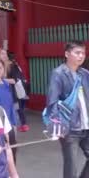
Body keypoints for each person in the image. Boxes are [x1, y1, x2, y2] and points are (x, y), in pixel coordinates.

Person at [46, 41, 89, 178]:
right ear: (67, 54)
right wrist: (57, 126)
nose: (81, 56)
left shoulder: (85, 74)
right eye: (77, 52)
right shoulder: (58, 73)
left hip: (86, 126)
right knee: (71, 166)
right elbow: (52, 101)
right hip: (69, 128)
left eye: (83, 52)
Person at [0, 59, 18, 160]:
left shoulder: (6, 84)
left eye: (0, 68)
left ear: (4, 69)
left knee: (12, 152)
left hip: (8, 123)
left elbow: (10, 106)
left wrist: (14, 124)